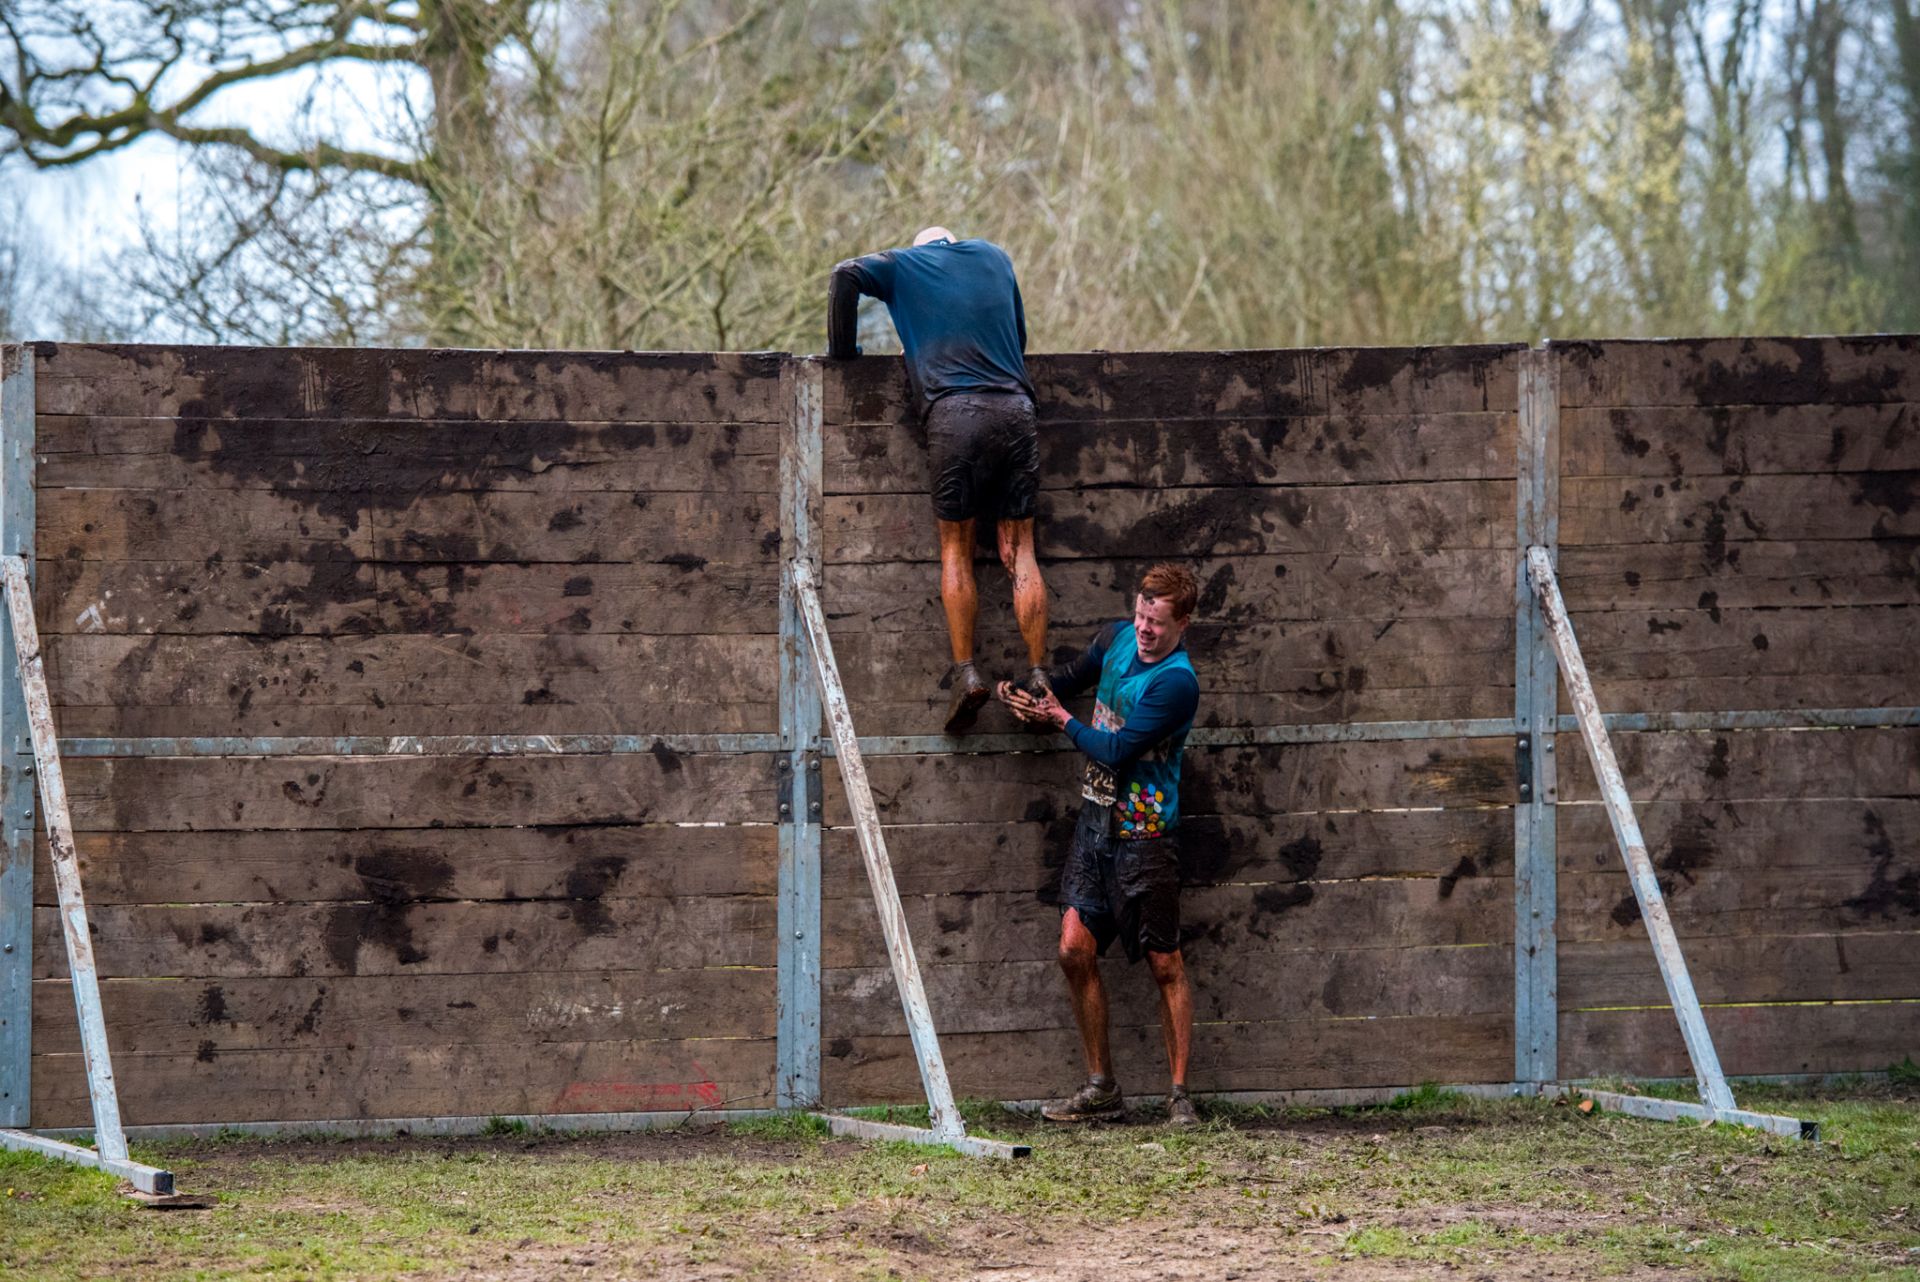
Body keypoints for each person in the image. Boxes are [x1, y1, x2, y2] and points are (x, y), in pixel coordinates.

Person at [1002, 564, 1203, 1127]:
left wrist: (1060, 719)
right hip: (1095, 830)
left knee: (1165, 964)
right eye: (1140, 614)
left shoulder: (1176, 683)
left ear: (1181, 623)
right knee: (1072, 949)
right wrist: (1026, 692)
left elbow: (1114, 751)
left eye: (1156, 622)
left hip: (1145, 837)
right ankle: (1101, 1089)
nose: (1143, 629)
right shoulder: (1116, 638)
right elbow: (1065, 678)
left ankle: (1179, 1095)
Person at [828, 226, 1049, 733]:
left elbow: (844, 274)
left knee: (956, 549)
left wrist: (844, 354)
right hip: (1016, 409)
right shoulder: (995, 256)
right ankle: (1039, 675)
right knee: (1022, 550)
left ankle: (967, 674)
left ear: (925, 246)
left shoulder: (905, 264)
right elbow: (1019, 337)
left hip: (955, 415)